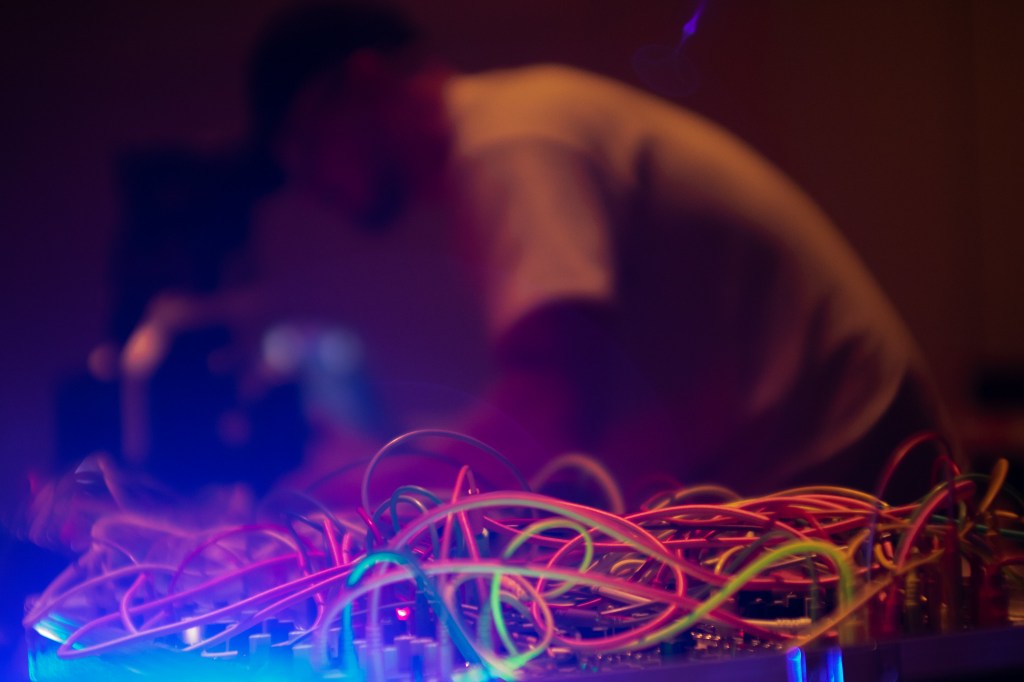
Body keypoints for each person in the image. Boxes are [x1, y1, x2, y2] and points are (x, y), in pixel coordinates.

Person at [243, 1, 954, 501]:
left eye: (307, 148)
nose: (311, 186)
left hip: (852, 475)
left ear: (364, 81)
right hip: (823, 471)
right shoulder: (508, 139)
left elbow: (545, 416)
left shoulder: (510, 142)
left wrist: (364, 487)